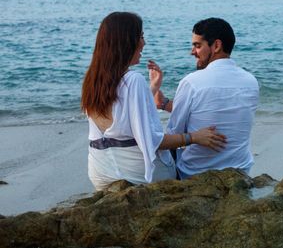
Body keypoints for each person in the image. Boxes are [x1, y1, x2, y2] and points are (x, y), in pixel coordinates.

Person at [81, 12, 226, 190]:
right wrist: (194, 137)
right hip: (135, 174)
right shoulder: (133, 80)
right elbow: (151, 141)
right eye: (141, 36)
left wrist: (153, 88)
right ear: (126, 41)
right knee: (183, 159)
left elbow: (123, 116)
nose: (144, 43)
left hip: (100, 172)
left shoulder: (93, 80)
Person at [153, 17, 259, 179]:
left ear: (216, 46)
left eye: (197, 45)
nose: (192, 52)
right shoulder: (251, 81)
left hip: (196, 173)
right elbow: (214, 111)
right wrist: (165, 104)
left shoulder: (192, 82)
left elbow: (175, 133)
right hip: (241, 171)